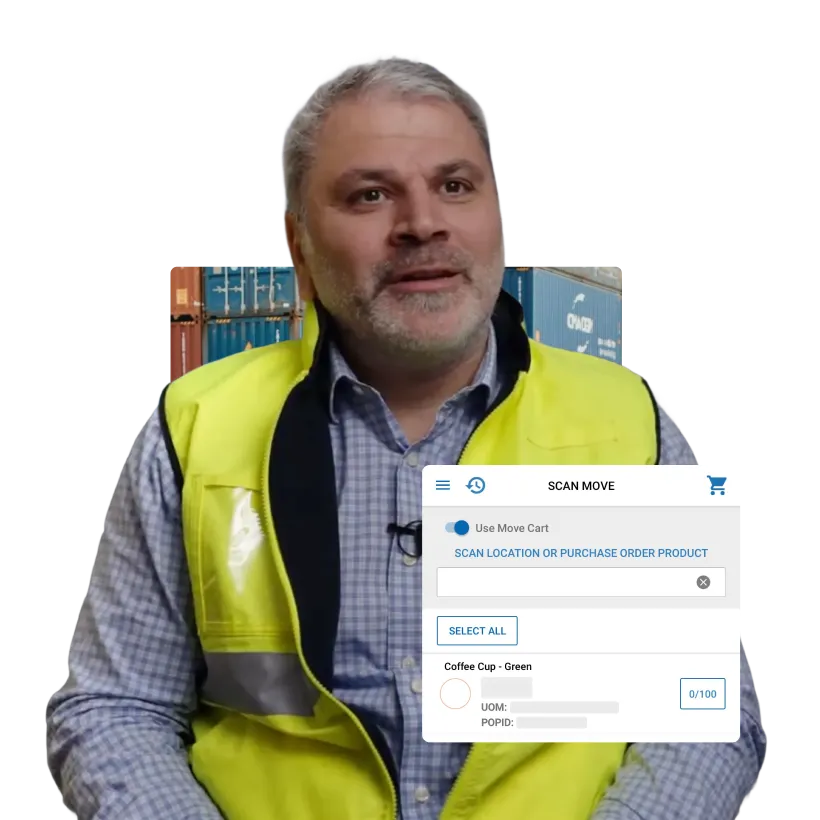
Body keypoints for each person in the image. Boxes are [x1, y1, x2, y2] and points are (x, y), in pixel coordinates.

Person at [45, 54, 765, 819]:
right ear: (298, 247)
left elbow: (706, 720)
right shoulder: (194, 429)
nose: (423, 222)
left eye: (455, 186)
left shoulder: (627, 422)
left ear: (497, 216)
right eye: (370, 194)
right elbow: (115, 708)